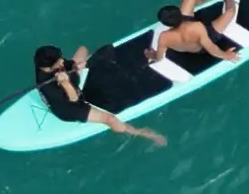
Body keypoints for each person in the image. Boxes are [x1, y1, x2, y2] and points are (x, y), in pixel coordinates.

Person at [32, 45, 167, 146]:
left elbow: (67, 64)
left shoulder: (52, 66)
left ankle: (84, 68)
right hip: (70, 107)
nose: (62, 60)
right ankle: (142, 133)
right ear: (50, 65)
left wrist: (77, 65)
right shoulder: (47, 86)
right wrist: (66, 83)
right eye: (59, 60)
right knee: (110, 119)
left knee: (82, 49)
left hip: (71, 84)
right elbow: (73, 99)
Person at [146, 0, 246, 66]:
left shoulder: (163, 37)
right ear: (179, 12)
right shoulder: (197, 27)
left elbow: (159, 57)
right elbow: (210, 47)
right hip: (204, 43)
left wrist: (151, 55)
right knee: (230, 12)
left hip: (189, 31)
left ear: (165, 24)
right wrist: (226, 55)